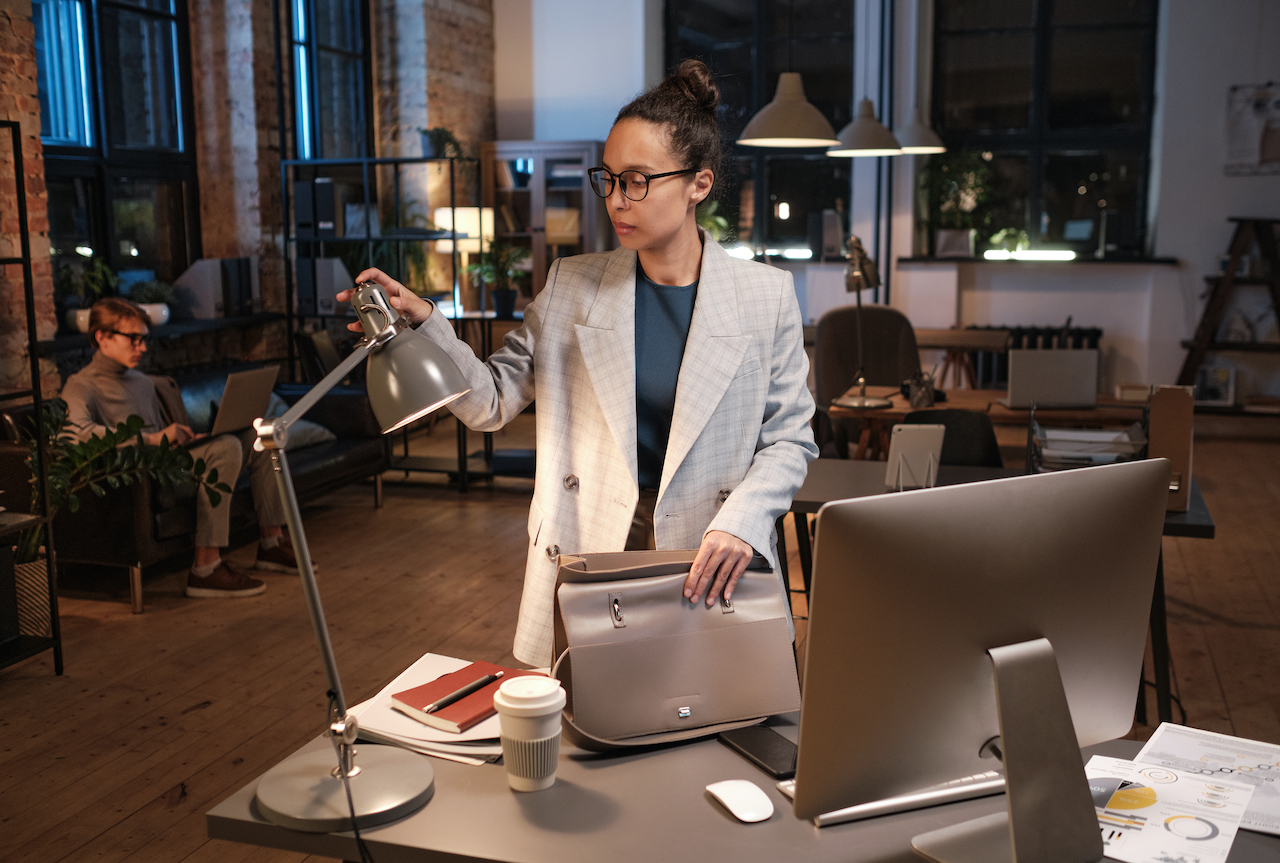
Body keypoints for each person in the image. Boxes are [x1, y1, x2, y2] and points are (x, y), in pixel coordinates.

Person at [339, 60, 817, 667]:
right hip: (596, 544)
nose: (617, 199)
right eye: (609, 179)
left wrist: (744, 522)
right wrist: (425, 324)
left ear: (699, 183)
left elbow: (789, 440)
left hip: (710, 550)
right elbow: (490, 401)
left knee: (711, 721)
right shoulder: (572, 286)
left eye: (638, 180)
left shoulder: (764, 296)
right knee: (588, 729)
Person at [61, 297, 305, 598]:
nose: (143, 347)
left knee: (263, 438)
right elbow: (76, 436)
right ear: (102, 337)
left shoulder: (141, 382)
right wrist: (154, 439)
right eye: (134, 339)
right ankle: (205, 568)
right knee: (227, 447)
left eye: (144, 339)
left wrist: (187, 439)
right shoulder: (80, 385)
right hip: (144, 479)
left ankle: (271, 544)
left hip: (171, 463)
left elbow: (161, 434)